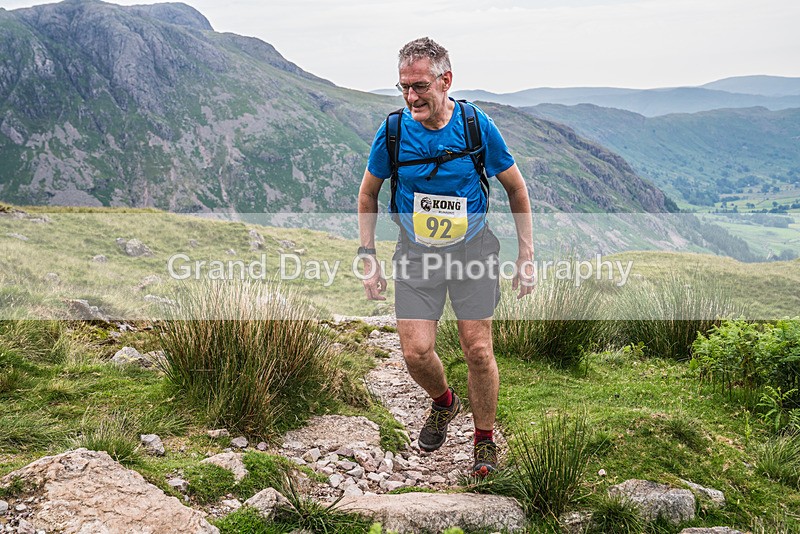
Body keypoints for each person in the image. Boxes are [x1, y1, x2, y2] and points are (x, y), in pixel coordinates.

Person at [357, 37, 534, 477]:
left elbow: (516, 188)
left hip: (473, 251)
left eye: (419, 86)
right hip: (417, 255)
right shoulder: (394, 132)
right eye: (403, 87)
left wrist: (526, 253)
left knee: (477, 349)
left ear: (445, 80)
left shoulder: (476, 126)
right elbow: (368, 194)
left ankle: (484, 441)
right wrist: (368, 254)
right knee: (416, 353)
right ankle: (444, 403)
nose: (411, 97)